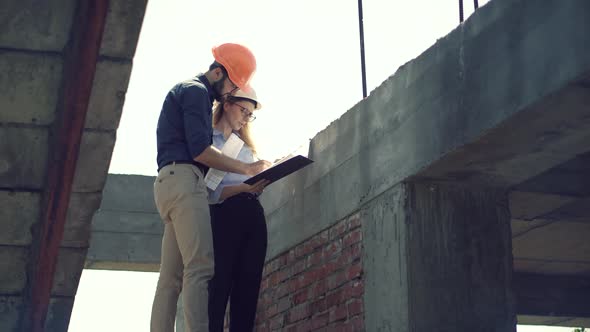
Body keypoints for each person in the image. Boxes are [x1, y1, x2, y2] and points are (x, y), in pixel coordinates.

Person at [151, 43, 271, 332]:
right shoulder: (196, 92)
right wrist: (247, 170)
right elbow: (200, 150)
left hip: (168, 182)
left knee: (170, 277)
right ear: (218, 72)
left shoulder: (188, 90)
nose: (230, 94)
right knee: (200, 268)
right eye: (232, 88)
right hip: (185, 180)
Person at [207, 87, 270, 332]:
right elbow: (209, 193)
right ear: (227, 103)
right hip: (224, 218)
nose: (246, 118)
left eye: (250, 114)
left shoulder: (245, 147)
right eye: (244, 110)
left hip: (253, 218)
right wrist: (244, 187)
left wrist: (260, 181)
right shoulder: (208, 142)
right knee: (218, 288)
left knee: (248, 291)